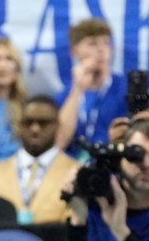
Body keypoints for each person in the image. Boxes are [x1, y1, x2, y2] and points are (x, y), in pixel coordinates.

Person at [0, 95, 78, 224]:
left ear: (58, 126)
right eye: (28, 122)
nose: (35, 129)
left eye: (44, 123)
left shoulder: (76, 172)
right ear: (19, 125)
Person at [55, 18, 129, 155]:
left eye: (106, 43)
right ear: (74, 51)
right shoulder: (64, 96)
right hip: (71, 166)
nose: (101, 50)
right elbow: (60, 142)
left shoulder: (125, 89)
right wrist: (78, 89)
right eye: (92, 43)